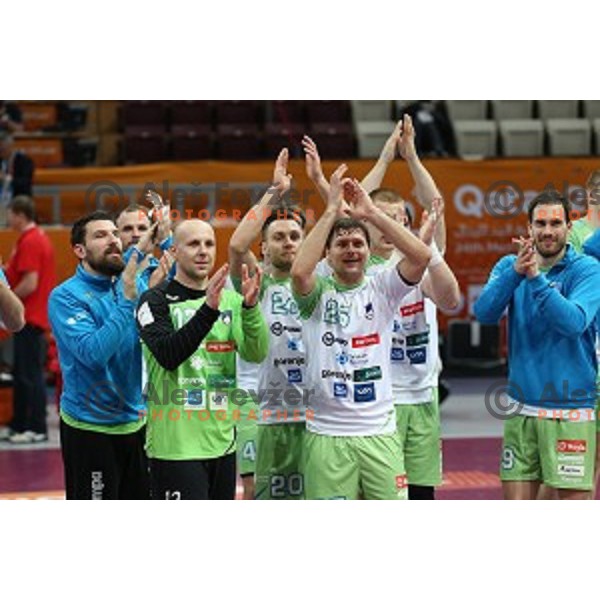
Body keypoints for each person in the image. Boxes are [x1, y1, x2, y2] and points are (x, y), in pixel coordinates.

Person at [308, 117, 460, 499]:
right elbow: (350, 207)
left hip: (421, 393)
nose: (395, 225)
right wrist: (382, 158)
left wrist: (410, 157)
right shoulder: (358, 267)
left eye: (401, 220)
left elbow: (434, 205)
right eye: (385, 219)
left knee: (420, 495)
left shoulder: (412, 265)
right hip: (375, 402)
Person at [291, 165, 435, 500]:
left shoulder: (383, 287)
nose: (352, 249)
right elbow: (299, 271)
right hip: (326, 433)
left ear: (369, 251)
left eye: (358, 242)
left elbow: (421, 256)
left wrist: (371, 213)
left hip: (379, 432)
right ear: (327, 254)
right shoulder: (315, 294)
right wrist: (330, 210)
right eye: (341, 244)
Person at [474, 190, 600, 500]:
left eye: (555, 223)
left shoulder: (588, 269)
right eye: (540, 223)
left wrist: (535, 279)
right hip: (522, 408)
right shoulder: (510, 265)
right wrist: (517, 273)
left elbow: (573, 323)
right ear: (529, 227)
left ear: (569, 227)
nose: (547, 231)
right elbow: (484, 312)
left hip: (571, 410)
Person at [136, 219, 268, 500]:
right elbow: (169, 355)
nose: (203, 251)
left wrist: (251, 308)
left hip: (223, 444)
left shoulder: (231, 300)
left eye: (209, 244)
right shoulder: (153, 301)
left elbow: (256, 353)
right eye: (193, 243)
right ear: (174, 250)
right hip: (175, 448)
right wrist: (208, 309)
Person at [49, 211, 149, 499]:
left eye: (115, 234)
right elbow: (94, 354)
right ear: (80, 250)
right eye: (100, 235)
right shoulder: (65, 296)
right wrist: (127, 300)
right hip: (91, 428)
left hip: (137, 422)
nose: (113, 240)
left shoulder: (132, 283)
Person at [229, 148, 309, 500]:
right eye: (278, 236)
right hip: (257, 403)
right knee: (259, 492)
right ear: (263, 247)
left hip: (312, 405)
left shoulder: (319, 280)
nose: (288, 242)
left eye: (294, 236)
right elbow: (235, 244)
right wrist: (275, 191)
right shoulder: (254, 281)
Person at [1, 196, 55, 444]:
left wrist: (6, 298)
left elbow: (30, 282)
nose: (7, 218)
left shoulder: (32, 241)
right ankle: (21, 424)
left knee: (29, 374)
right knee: (25, 372)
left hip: (30, 316)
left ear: (20, 214)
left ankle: (36, 427)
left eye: (10, 213)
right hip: (30, 315)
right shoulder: (33, 238)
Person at [0, 133, 34, 206]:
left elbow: (25, 182)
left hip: (19, 202)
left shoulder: (24, 161)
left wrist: (6, 179)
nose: (0, 151)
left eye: (2, 149)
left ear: (11, 146)